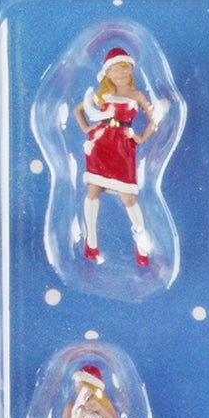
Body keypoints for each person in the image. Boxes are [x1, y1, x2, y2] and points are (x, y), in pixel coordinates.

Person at [75, 47, 159, 266]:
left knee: (128, 196)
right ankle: (91, 242)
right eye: (115, 70)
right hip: (100, 145)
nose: (120, 74)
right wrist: (88, 130)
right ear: (107, 73)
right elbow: (78, 110)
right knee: (94, 189)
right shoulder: (102, 95)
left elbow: (155, 119)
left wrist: (140, 138)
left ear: (131, 70)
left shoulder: (137, 95)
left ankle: (142, 246)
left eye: (124, 69)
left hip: (123, 147)